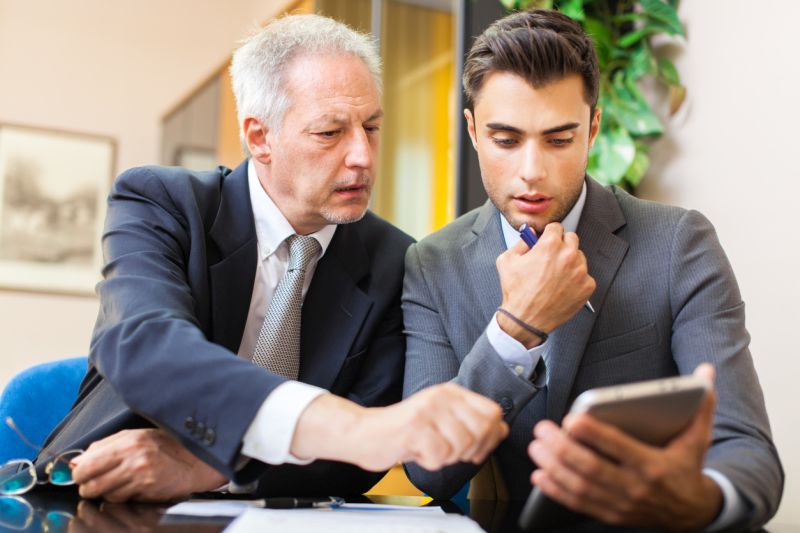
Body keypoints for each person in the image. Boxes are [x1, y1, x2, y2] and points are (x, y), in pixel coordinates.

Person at [36, 14, 508, 503]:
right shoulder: (162, 203)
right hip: (97, 496)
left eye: (371, 127)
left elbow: (354, 460)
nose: (363, 156)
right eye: (329, 133)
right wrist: (346, 427)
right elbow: (146, 345)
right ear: (259, 138)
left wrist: (208, 465)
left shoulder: (394, 260)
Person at [402, 8, 782, 531]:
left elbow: (748, 451)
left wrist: (701, 499)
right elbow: (427, 468)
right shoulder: (432, 264)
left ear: (594, 127)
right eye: (506, 140)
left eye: (559, 139)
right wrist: (516, 328)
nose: (531, 172)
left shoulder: (679, 243)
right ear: (471, 130)